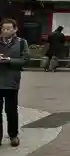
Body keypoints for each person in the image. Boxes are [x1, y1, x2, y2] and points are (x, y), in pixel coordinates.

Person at [0, 19, 29, 147]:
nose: (6, 31)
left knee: (11, 110)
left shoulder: (22, 43)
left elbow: (25, 59)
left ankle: (13, 135)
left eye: (9, 28)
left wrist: (9, 60)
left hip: (12, 82)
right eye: (4, 29)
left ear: (15, 29)